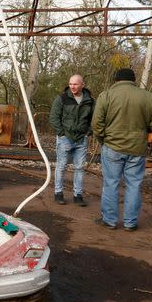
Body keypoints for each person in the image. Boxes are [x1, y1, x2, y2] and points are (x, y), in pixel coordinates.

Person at [91, 67, 152, 231]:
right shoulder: (148, 97)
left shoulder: (106, 95)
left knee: (111, 183)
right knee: (134, 185)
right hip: (137, 148)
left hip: (112, 146)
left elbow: (97, 124)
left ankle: (109, 220)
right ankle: (130, 223)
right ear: (133, 80)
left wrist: (104, 140)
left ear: (116, 80)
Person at [48, 74, 95, 206]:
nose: (72, 86)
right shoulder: (62, 98)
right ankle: (58, 193)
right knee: (61, 166)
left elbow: (95, 119)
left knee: (79, 168)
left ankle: (78, 195)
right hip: (65, 138)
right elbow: (53, 117)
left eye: (75, 84)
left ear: (82, 85)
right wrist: (61, 133)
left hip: (81, 139)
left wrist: (88, 133)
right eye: (70, 84)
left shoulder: (90, 101)